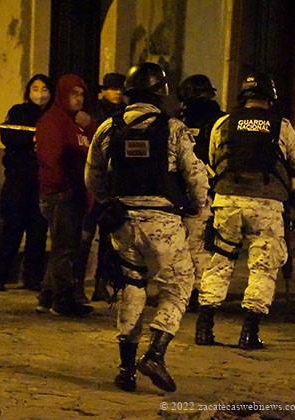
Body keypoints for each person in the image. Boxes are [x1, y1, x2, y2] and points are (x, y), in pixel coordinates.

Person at [85, 62, 209, 393]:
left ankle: (126, 369)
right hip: (162, 221)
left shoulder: (108, 127)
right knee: (179, 284)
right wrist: (197, 205)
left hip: (122, 221)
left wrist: (111, 200)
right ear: (161, 93)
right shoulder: (174, 128)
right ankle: (155, 354)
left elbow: (92, 177)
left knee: (131, 286)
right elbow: (195, 176)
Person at [194, 72, 295, 350]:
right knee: (263, 266)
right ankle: (249, 333)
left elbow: (212, 158)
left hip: (227, 201)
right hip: (266, 204)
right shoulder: (280, 125)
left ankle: (204, 328)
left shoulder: (224, 122)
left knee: (219, 261)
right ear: (269, 98)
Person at [35, 74, 97, 317]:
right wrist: (62, 187)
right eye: (73, 94)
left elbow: (95, 146)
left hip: (76, 192)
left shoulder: (78, 123)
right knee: (64, 249)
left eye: (81, 94)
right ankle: (62, 300)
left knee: (66, 247)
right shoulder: (53, 121)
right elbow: (51, 159)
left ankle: (47, 296)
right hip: (62, 193)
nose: (78, 99)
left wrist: (90, 125)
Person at [0, 74, 51, 292]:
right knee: (12, 228)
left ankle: (32, 278)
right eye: (35, 88)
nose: (40, 94)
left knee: (38, 231)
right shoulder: (18, 112)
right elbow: (7, 135)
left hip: (42, 181)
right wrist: (31, 139)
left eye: (44, 89)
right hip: (18, 180)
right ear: (28, 91)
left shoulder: (53, 117)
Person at [75, 72, 128, 303]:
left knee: (109, 239)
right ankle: (78, 283)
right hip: (95, 182)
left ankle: (101, 283)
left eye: (120, 89)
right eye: (113, 88)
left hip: (115, 182)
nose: (117, 93)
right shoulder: (94, 112)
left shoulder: (126, 112)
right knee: (85, 236)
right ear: (103, 91)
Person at [177, 74, 226, 311]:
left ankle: (194, 292)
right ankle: (198, 291)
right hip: (205, 189)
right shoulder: (220, 121)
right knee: (199, 244)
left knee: (191, 243)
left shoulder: (179, 121)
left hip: (187, 190)